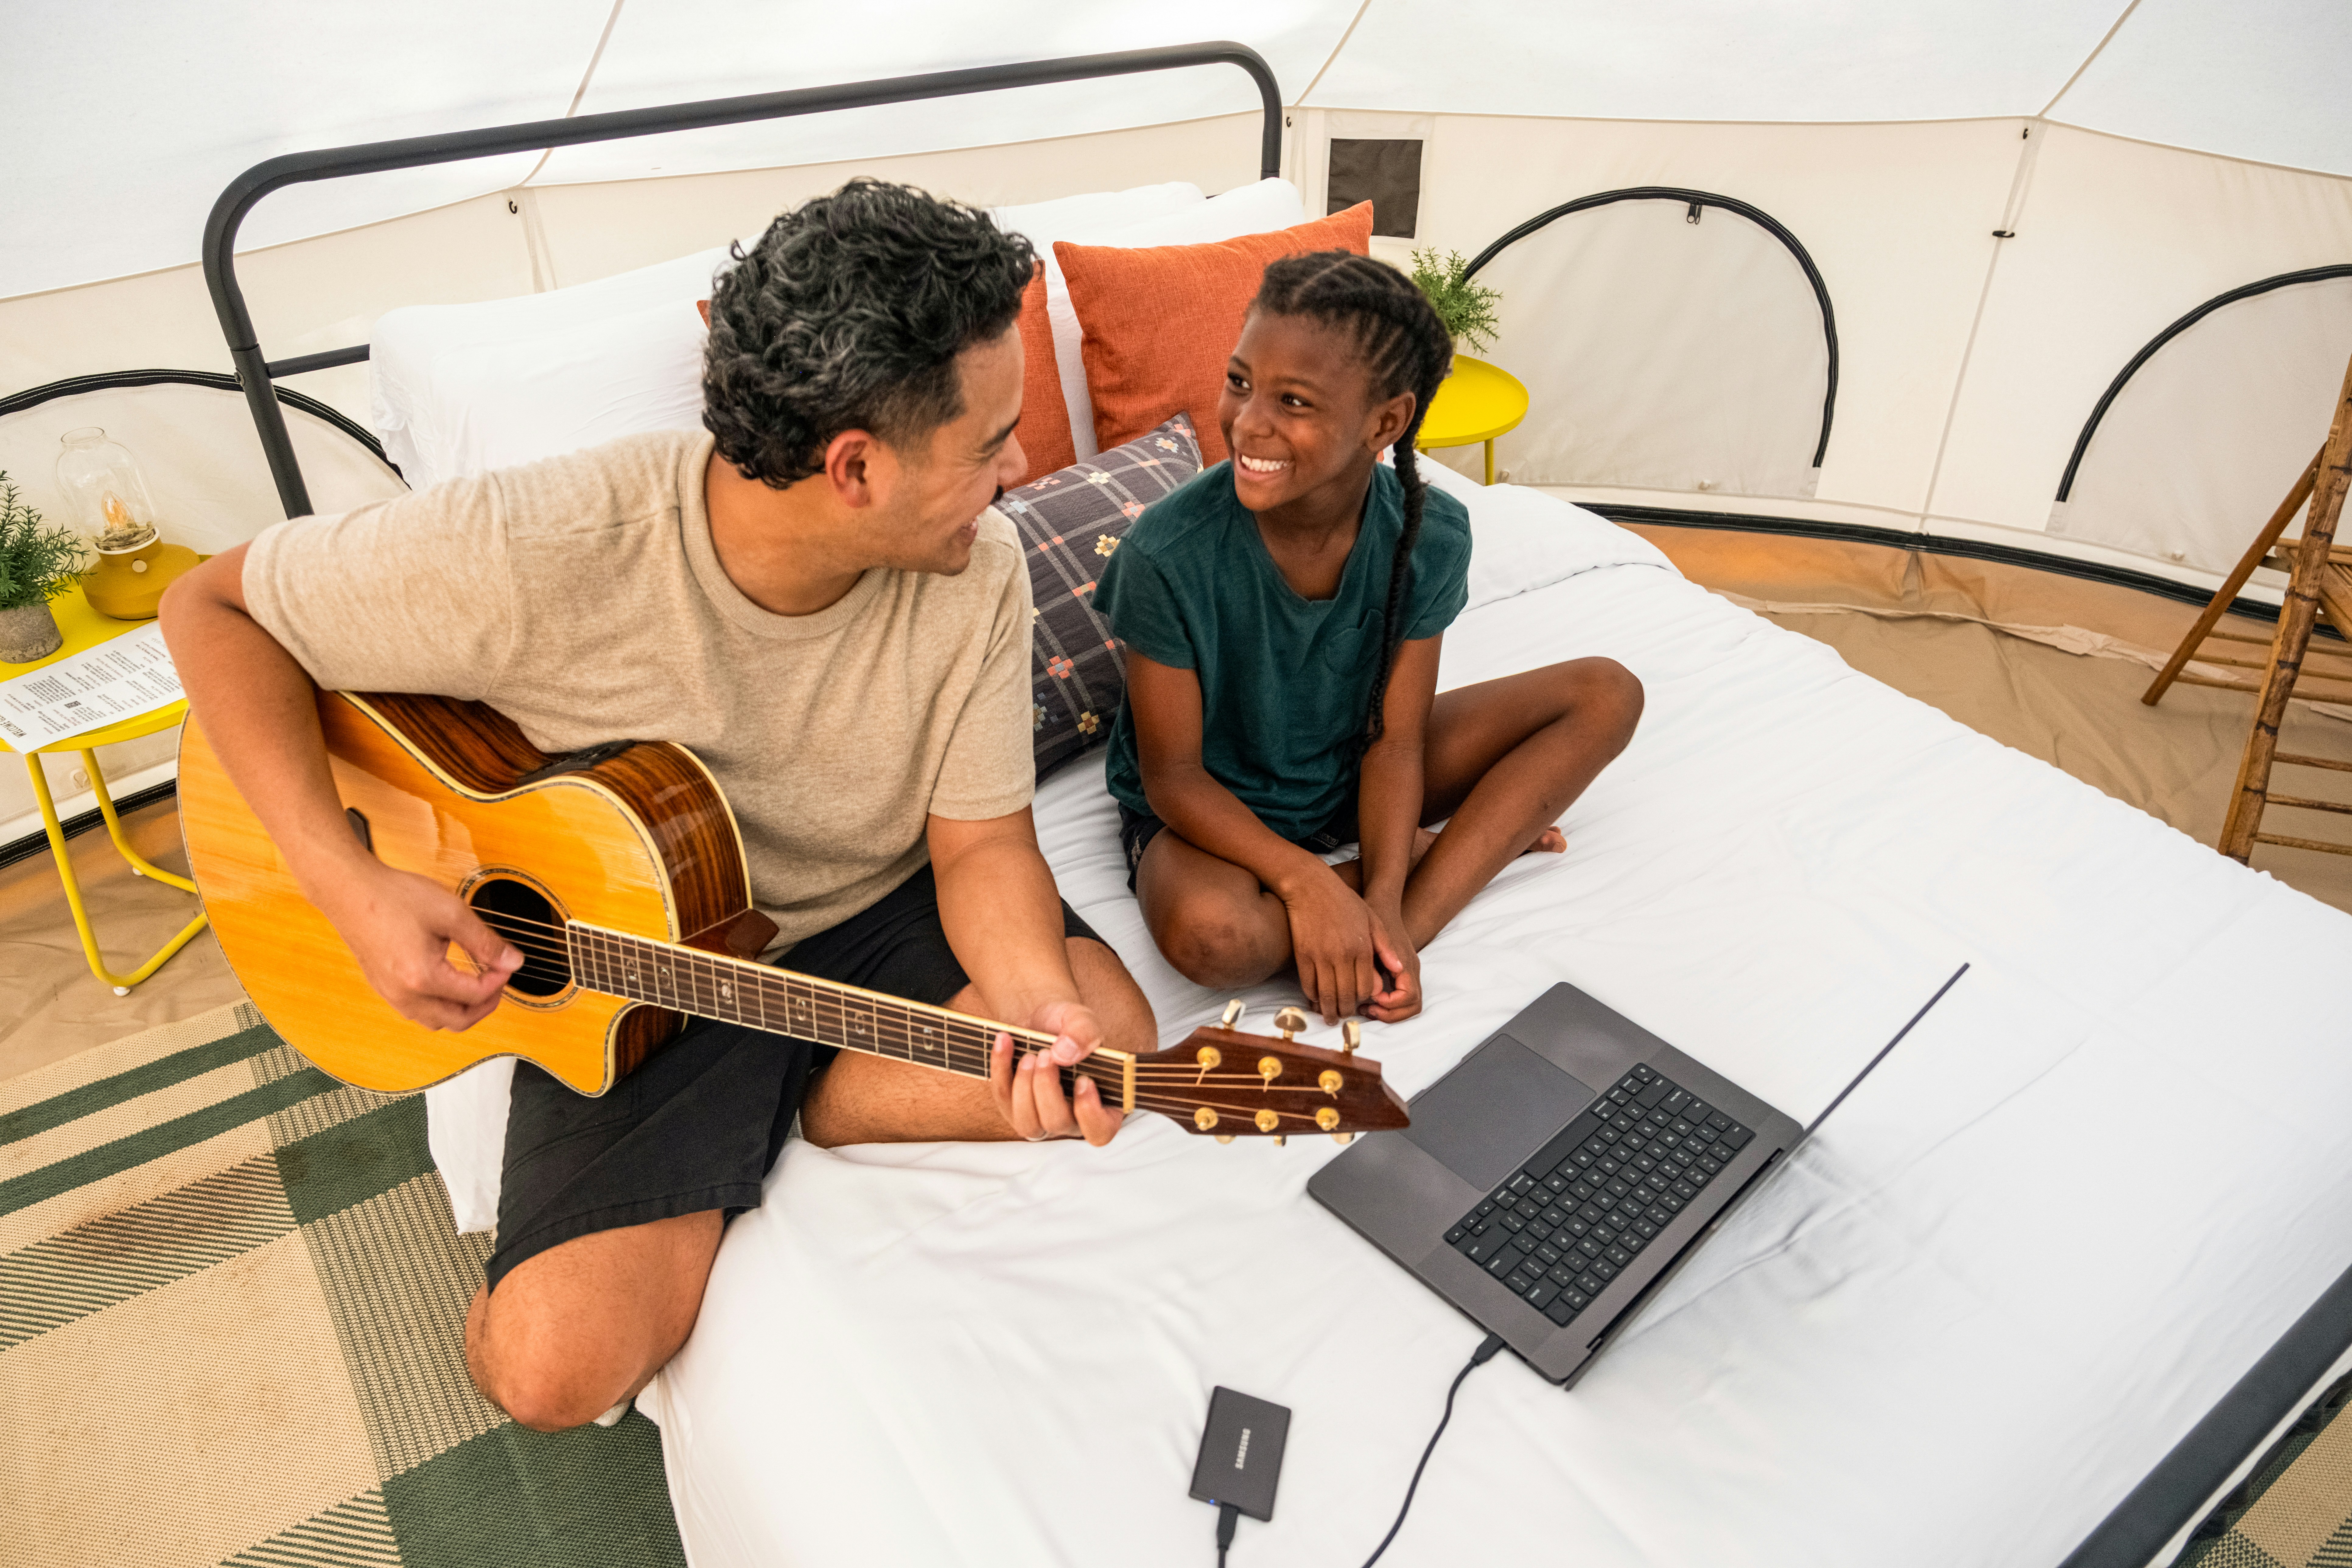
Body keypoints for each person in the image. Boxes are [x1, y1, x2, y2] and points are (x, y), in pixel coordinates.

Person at [159, 180, 1154, 1432]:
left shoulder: (977, 571)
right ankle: (826, 1077)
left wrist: (1033, 1008)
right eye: (988, 443)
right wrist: (346, 881)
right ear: (855, 467)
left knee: (1105, 1041)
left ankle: (818, 1082)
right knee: (549, 1376)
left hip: (873, 905)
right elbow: (210, 607)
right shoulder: (536, 544)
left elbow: (983, 845)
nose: (1018, 470)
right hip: (632, 962)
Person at [1095, 250, 1644, 1027]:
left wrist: (1385, 909)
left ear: (1385, 422)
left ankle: (1396, 927)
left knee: (1606, 692)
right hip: (1211, 806)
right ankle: (1457, 854)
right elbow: (1175, 780)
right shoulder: (1166, 551)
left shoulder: (1430, 533)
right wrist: (1308, 883)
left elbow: (1395, 740)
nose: (1249, 422)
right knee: (1217, 938)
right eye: (1240, 382)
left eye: (1294, 401)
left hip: (1355, 767)